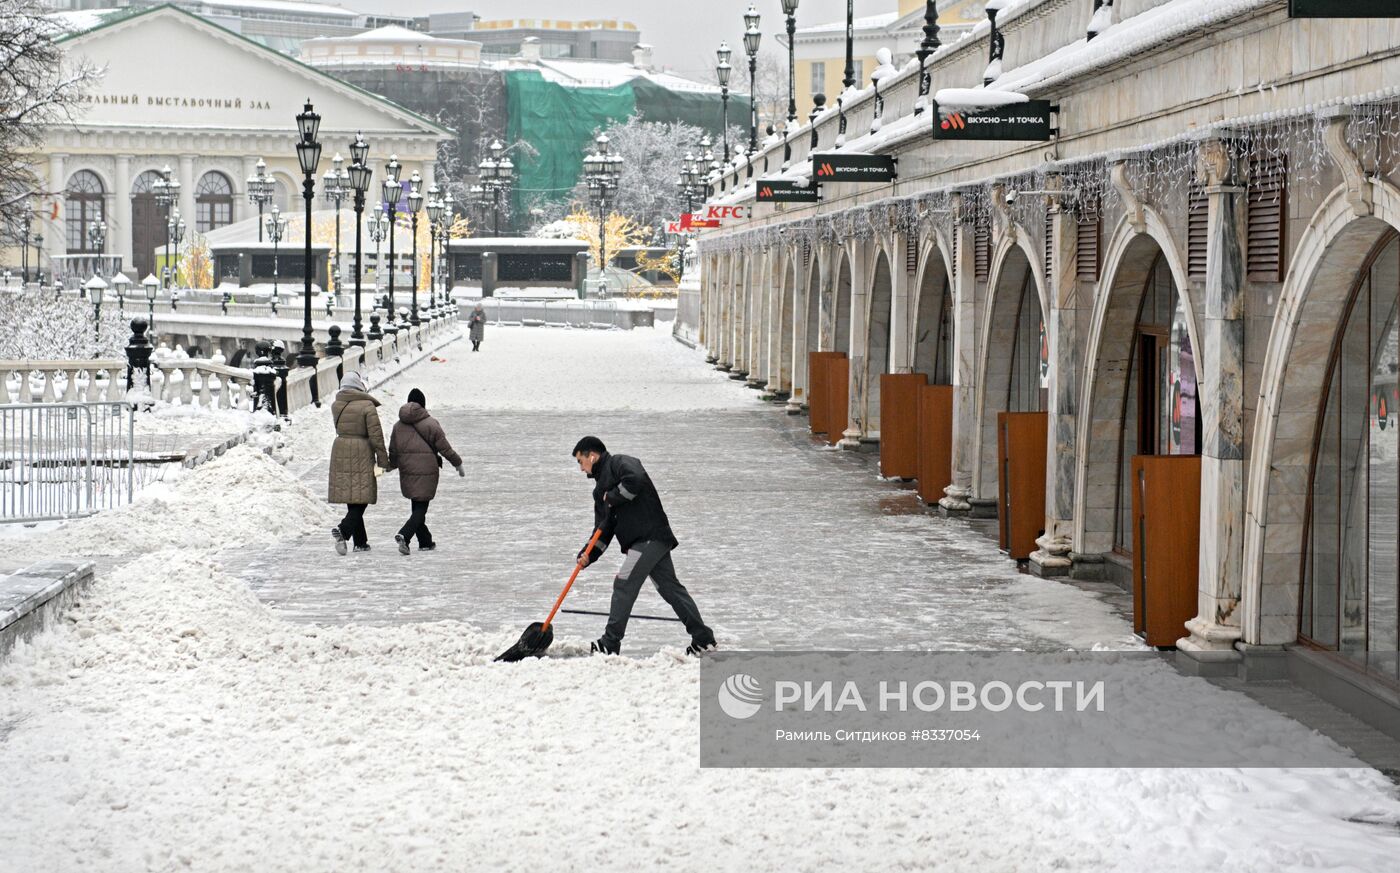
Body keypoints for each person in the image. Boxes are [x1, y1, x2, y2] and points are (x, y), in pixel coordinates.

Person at [572, 436, 716, 656]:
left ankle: (610, 643)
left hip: (648, 537)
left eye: (580, 461)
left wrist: (612, 496)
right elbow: (603, 529)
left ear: (592, 455)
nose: (581, 469)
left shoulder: (620, 463)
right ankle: (704, 639)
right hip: (646, 542)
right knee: (671, 590)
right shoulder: (599, 492)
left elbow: (635, 479)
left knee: (623, 583)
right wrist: (588, 555)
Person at [387, 388, 463, 554]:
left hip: (407, 471)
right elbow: (445, 448)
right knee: (420, 508)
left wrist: (390, 465)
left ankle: (425, 541)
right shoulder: (431, 423)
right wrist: (457, 463)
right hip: (427, 470)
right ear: (423, 404)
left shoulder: (398, 426)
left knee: (417, 507)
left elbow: (393, 450)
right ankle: (404, 535)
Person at [329, 372, 389, 554]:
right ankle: (344, 529)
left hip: (340, 449)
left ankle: (360, 542)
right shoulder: (367, 406)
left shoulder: (336, 405)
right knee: (363, 495)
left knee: (352, 495)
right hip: (362, 450)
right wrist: (383, 459)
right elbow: (376, 435)